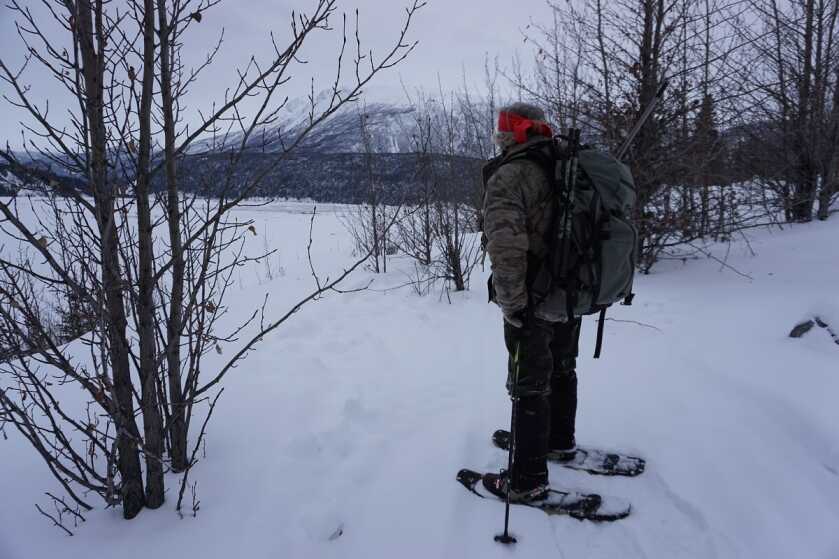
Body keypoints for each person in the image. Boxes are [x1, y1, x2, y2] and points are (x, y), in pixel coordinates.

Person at [480, 103, 581, 502]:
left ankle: (526, 481)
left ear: (509, 135)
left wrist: (513, 303)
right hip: (570, 291)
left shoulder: (512, 174)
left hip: (533, 295)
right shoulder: (563, 162)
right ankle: (558, 440)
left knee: (528, 383)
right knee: (561, 365)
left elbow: (505, 245)